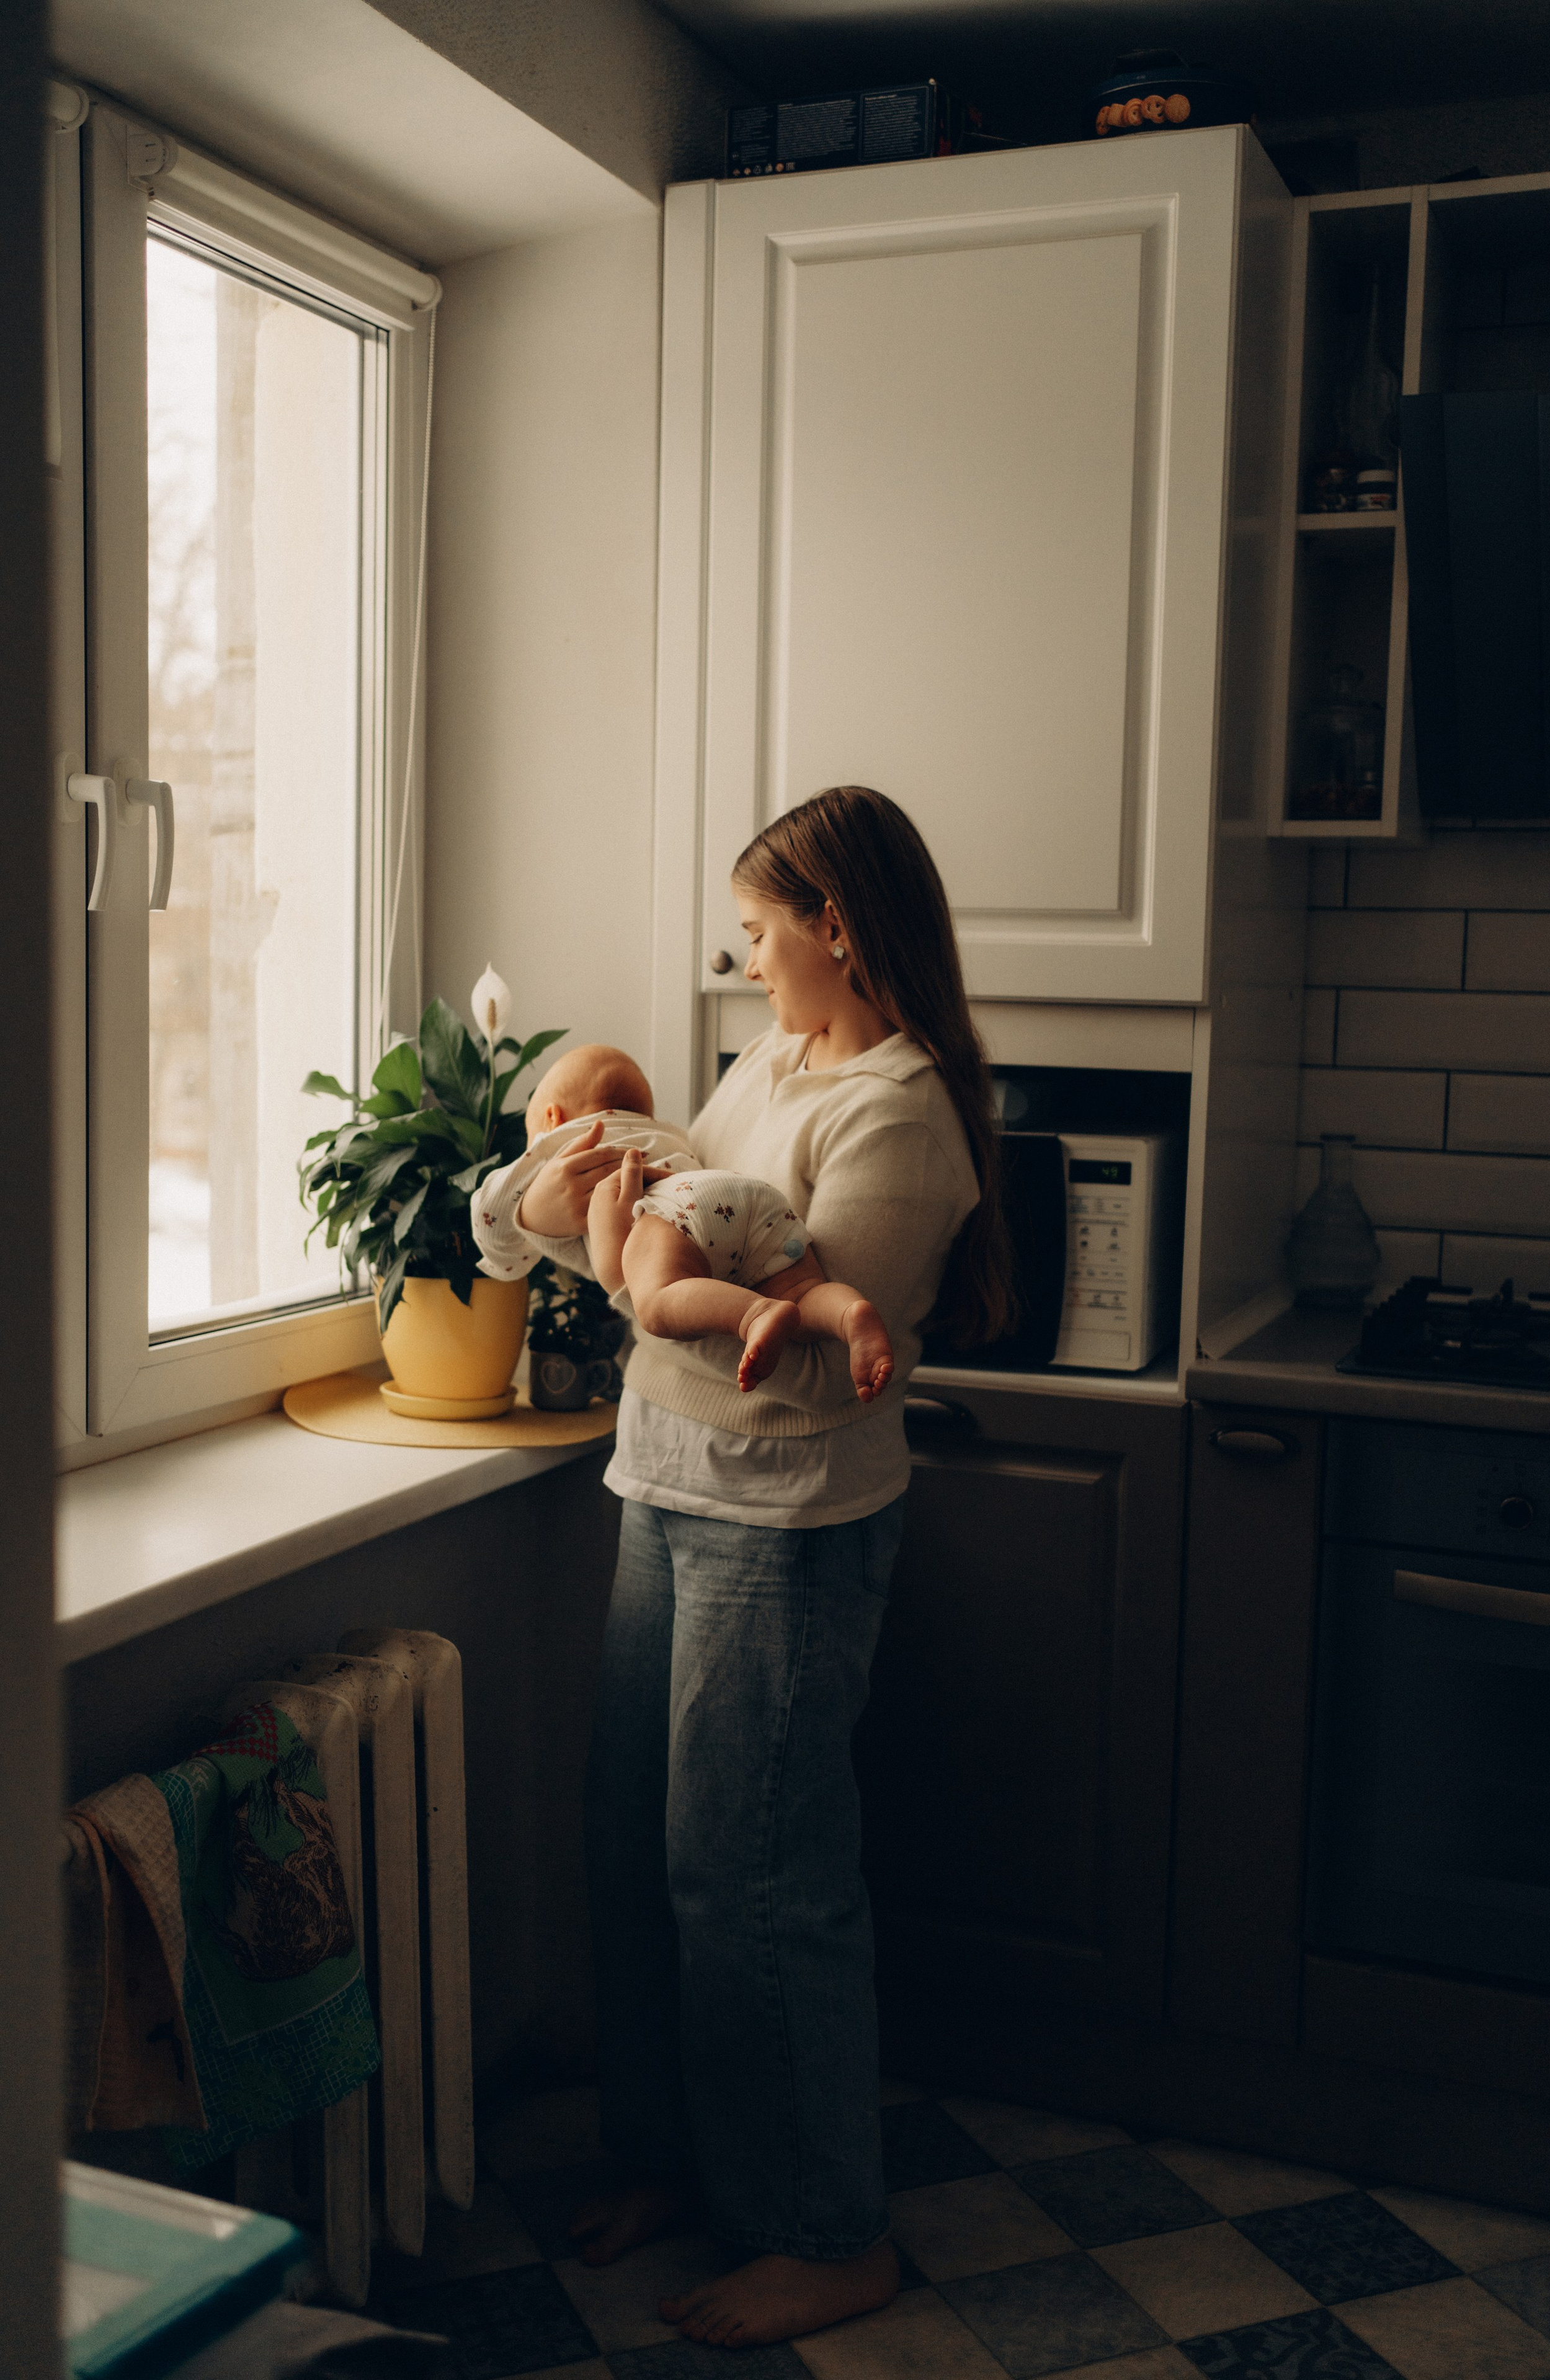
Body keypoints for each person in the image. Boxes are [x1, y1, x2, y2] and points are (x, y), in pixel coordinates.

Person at [514, 786, 1012, 2350]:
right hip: (662, 1484)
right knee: (634, 1848)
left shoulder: (896, 1111)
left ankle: (821, 2229)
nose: (744, 962)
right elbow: (696, 1215)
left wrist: (628, 1267)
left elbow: (803, 1369)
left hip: (784, 1522)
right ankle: (682, 2160)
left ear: (837, 928)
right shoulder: (773, 1059)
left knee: (757, 1884)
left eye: (757, 931)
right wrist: (597, 1215)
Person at [471, 1043, 895, 1398]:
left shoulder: (561, 1143)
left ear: (552, 1117)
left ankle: (754, 1316)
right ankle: (848, 1313)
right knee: (802, 1292)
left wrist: (526, 1213)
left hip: (673, 1211)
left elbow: (489, 1216)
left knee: (656, 1304)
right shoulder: (666, 1133)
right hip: (744, 1197)